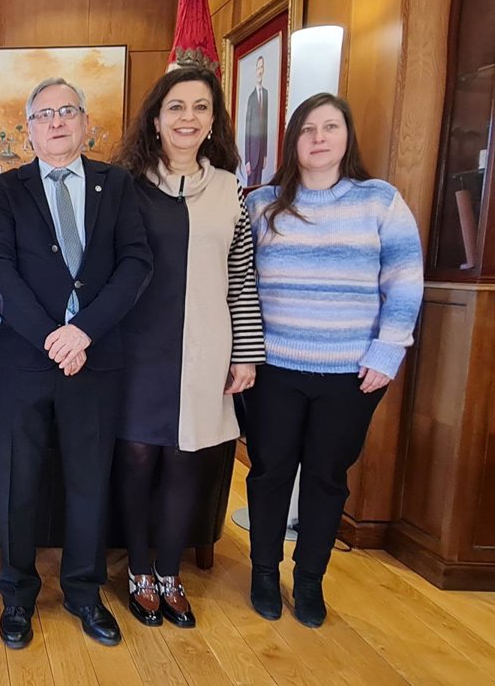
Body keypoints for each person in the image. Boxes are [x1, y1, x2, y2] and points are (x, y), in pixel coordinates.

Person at [0, 78, 152, 648]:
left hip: (96, 359)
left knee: (89, 482)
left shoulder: (117, 184)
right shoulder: (6, 190)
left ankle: (83, 591)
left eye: (67, 111)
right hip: (26, 362)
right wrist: (52, 336)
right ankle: (17, 595)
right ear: (29, 130)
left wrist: (83, 332)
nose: (56, 122)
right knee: (18, 484)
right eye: (44, 114)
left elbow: (136, 264)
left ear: (85, 123)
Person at [244, 93, 424, 628]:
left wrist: (388, 349)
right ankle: (263, 572)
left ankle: (309, 580)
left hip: (352, 372)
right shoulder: (263, 204)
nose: (319, 138)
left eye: (330, 127)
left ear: (347, 137)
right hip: (274, 368)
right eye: (308, 129)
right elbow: (242, 284)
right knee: (270, 473)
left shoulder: (379, 201)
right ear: (293, 140)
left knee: (327, 477)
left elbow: (404, 281)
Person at [110, 66, 265, 629]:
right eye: (176, 106)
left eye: (201, 107)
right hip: (136, 348)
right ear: (155, 120)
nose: (188, 117)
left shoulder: (230, 191)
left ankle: (170, 573)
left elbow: (241, 278)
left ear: (213, 121)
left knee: (186, 460)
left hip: (205, 347)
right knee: (136, 458)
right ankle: (138, 572)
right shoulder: (126, 186)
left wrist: (245, 353)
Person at [244, 55, 269, 186]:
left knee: (259, 188)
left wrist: (265, 154)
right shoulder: (251, 98)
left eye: (261, 68)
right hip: (252, 156)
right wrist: (247, 160)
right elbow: (247, 132)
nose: (260, 71)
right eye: (258, 68)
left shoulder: (266, 94)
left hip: (260, 155)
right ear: (255, 70)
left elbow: (265, 126)